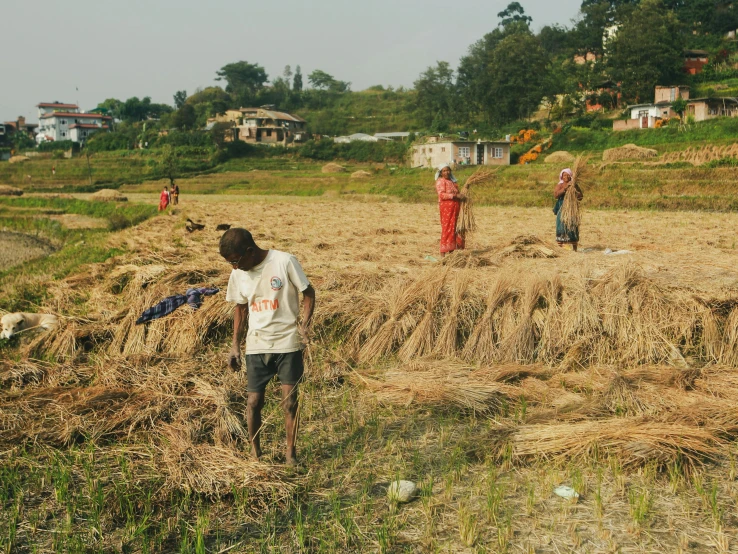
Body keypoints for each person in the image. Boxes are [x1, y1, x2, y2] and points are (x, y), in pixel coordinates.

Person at [221, 228, 316, 465]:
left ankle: (290, 455)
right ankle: (256, 454)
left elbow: (308, 293)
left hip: (287, 343)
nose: (234, 268)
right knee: (253, 401)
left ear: (250, 251)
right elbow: (240, 309)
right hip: (257, 344)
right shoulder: (238, 274)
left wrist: (305, 325)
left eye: (235, 261)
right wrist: (235, 345)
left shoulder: (284, 261)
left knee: (290, 402)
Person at [434, 164, 465, 256]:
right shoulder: (440, 181)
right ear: (441, 173)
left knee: (453, 229)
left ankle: (451, 252)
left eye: (448, 170)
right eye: (444, 171)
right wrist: (455, 196)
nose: (446, 172)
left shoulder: (452, 182)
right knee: (447, 228)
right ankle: (443, 253)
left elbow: (457, 193)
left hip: (455, 207)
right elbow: (442, 195)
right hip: (446, 208)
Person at [553, 168, 583, 251]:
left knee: (572, 225)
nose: (565, 177)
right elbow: (556, 195)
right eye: (564, 175)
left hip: (572, 210)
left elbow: (581, 197)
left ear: (571, 176)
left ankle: (574, 247)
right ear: (561, 177)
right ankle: (562, 245)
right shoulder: (560, 185)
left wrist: (574, 191)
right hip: (562, 209)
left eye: (567, 175)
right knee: (562, 224)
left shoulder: (574, 185)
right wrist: (565, 189)